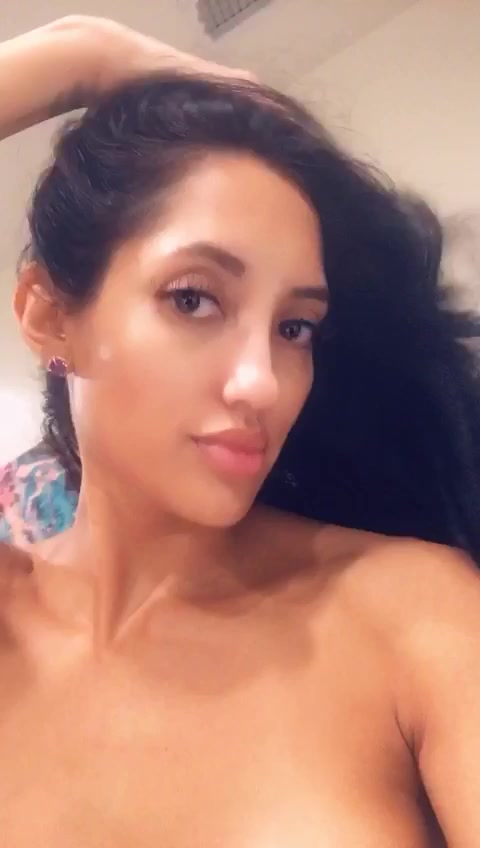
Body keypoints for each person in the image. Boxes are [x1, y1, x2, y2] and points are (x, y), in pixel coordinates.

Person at [1, 15, 480, 847]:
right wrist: (81, 56)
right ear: (49, 316)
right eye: (194, 299)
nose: (263, 382)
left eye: (295, 328)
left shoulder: (408, 611)